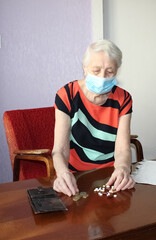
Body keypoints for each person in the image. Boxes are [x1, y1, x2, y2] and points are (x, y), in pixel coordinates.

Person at [52, 39, 135, 196]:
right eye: (96, 70)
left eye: (109, 71)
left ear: (117, 71)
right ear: (85, 68)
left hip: (111, 174)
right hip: (75, 175)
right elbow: (60, 150)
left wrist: (123, 169)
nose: (103, 77)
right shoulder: (67, 95)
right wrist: (62, 174)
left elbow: (123, 149)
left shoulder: (123, 99)